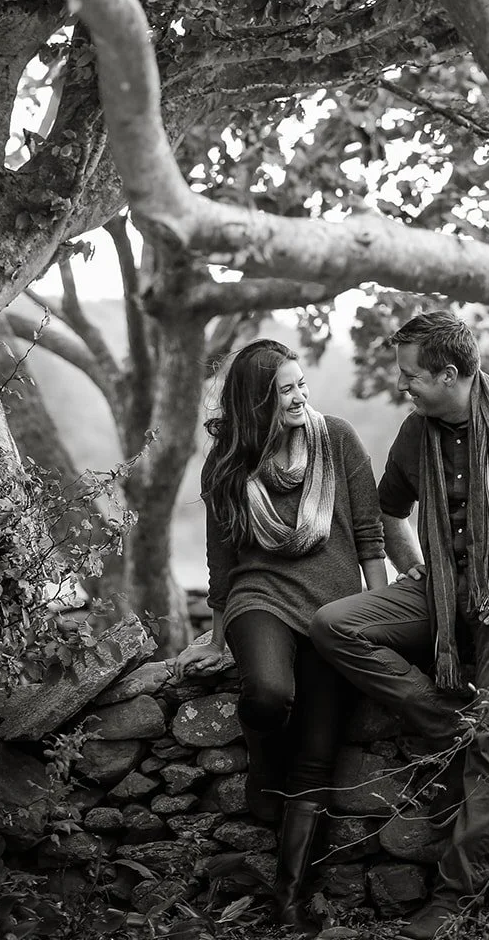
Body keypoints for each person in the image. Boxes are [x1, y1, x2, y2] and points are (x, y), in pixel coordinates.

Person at [310, 313, 489, 939]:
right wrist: (415, 568)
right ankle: (448, 723)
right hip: (443, 593)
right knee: (335, 626)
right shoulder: (416, 433)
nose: (403, 386)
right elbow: (391, 510)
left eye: (412, 375)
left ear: (450, 374)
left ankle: (455, 898)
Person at [174, 339, 387, 926]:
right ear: (257, 403)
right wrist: (217, 639)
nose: (299, 397)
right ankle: (264, 768)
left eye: (301, 384)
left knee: (317, 755)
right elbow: (222, 562)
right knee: (268, 693)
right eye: (285, 390)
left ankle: (290, 898)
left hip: (335, 611)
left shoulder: (337, 438)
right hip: (259, 598)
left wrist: (377, 617)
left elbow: (369, 537)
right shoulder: (226, 465)